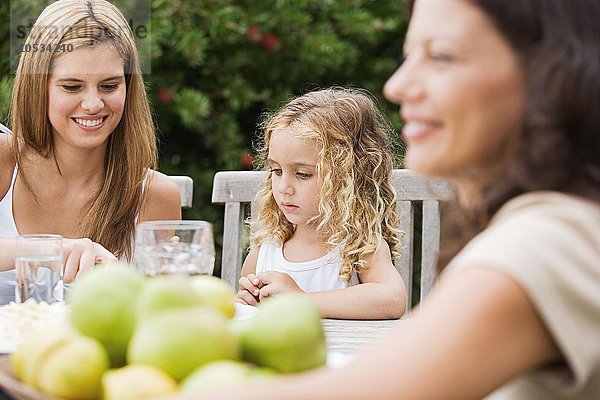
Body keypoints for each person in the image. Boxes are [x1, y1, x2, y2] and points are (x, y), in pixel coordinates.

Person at [178, 0, 600, 398]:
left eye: (441, 56)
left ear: (546, 73)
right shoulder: (538, 226)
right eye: (408, 54)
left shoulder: (551, 242)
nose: (397, 85)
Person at [0, 0, 181, 304]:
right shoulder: (4, 160)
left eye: (109, 86)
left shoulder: (155, 195)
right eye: (72, 87)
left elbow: (160, 316)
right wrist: (51, 249)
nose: (93, 104)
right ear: (38, 87)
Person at [235, 88, 407, 320]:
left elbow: (392, 299)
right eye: (276, 171)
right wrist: (247, 302)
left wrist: (301, 300)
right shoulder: (266, 250)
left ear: (347, 177)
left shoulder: (358, 247)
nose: (284, 187)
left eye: (303, 174)